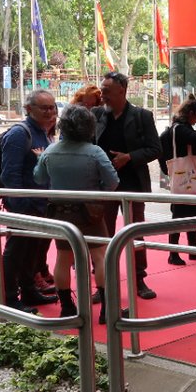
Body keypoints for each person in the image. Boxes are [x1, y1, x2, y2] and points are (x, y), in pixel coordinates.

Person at [33, 105, 119, 319]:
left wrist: (39, 158)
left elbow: (39, 178)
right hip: (90, 211)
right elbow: (113, 181)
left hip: (60, 212)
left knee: (63, 258)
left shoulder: (51, 151)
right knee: (100, 256)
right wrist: (96, 189)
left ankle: (67, 306)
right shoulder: (94, 152)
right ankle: (107, 308)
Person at [92, 71, 162, 301]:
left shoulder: (142, 116)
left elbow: (155, 149)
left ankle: (139, 279)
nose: (102, 95)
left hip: (132, 186)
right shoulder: (96, 115)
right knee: (103, 235)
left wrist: (129, 157)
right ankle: (103, 284)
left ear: (122, 91)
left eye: (107, 91)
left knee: (135, 234)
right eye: (102, 90)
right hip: (103, 187)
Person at [0, 89, 61, 313]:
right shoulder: (20, 134)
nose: (50, 112)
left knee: (33, 251)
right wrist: (22, 204)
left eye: (52, 107)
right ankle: (8, 297)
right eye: (44, 107)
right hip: (24, 207)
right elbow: (10, 174)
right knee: (16, 251)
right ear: (29, 110)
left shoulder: (45, 133)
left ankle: (28, 290)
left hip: (40, 205)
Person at [159, 98, 196, 264]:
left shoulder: (176, 129)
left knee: (192, 211)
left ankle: (192, 249)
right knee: (180, 215)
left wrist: (168, 171)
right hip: (188, 176)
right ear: (191, 113)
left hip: (185, 175)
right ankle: (174, 253)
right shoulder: (181, 130)